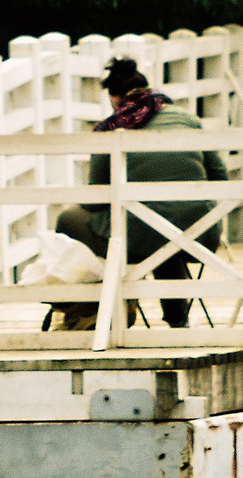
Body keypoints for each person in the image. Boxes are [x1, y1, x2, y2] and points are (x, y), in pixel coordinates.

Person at [53, 58, 227, 329]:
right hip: (200, 234)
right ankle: (178, 320)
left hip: (140, 237)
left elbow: (95, 200)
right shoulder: (188, 120)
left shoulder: (113, 128)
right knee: (163, 232)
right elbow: (220, 178)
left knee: (69, 219)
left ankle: (93, 306)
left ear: (114, 98)